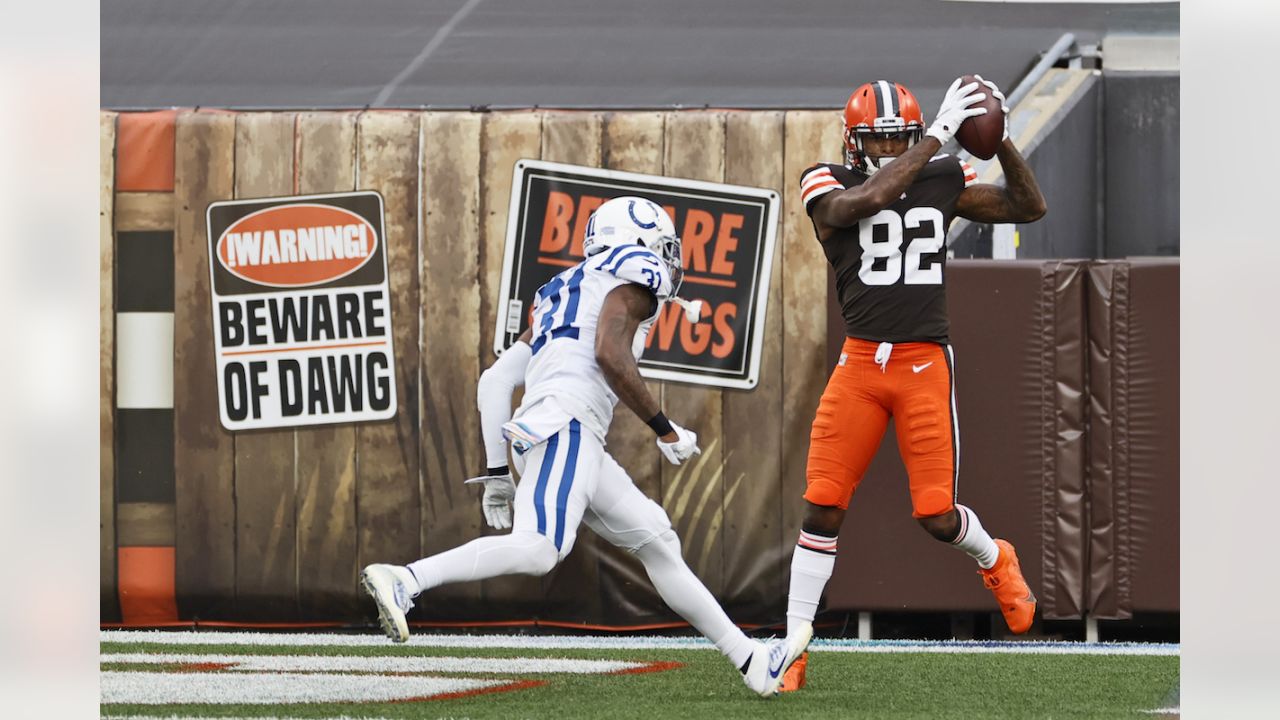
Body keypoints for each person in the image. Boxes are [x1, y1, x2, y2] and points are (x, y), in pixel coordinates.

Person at [361, 196, 808, 698]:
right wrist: (665, 429)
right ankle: (406, 579)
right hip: (566, 427)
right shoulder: (633, 275)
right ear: (639, 243)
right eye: (663, 246)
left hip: (554, 432)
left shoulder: (560, 290)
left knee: (657, 540)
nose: (669, 258)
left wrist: (496, 474)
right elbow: (610, 353)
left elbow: (493, 382)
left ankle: (751, 661)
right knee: (540, 549)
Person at [781, 77, 1048, 690]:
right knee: (822, 503)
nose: (883, 150)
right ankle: (793, 643)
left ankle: (994, 557)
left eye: (894, 139)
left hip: (924, 362)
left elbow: (1027, 206)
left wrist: (1000, 140)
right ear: (853, 143)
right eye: (876, 141)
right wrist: (928, 141)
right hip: (860, 364)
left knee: (934, 513)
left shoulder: (941, 176)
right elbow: (864, 203)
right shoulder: (826, 180)